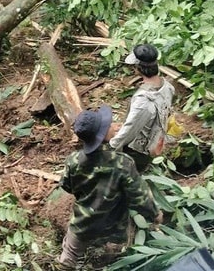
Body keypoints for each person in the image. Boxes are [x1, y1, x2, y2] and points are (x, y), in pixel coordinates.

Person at [56, 105, 162, 270]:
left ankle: (67, 264)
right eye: (109, 125)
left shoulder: (73, 161)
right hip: (113, 230)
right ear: (102, 135)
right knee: (113, 259)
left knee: (68, 257)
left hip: (82, 225)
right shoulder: (122, 163)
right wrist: (155, 214)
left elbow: (67, 187)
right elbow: (139, 197)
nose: (114, 126)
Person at [110, 44, 175, 172]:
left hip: (136, 152)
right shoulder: (168, 87)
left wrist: (112, 146)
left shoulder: (143, 100)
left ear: (138, 68)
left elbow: (131, 128)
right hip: (155, 142)